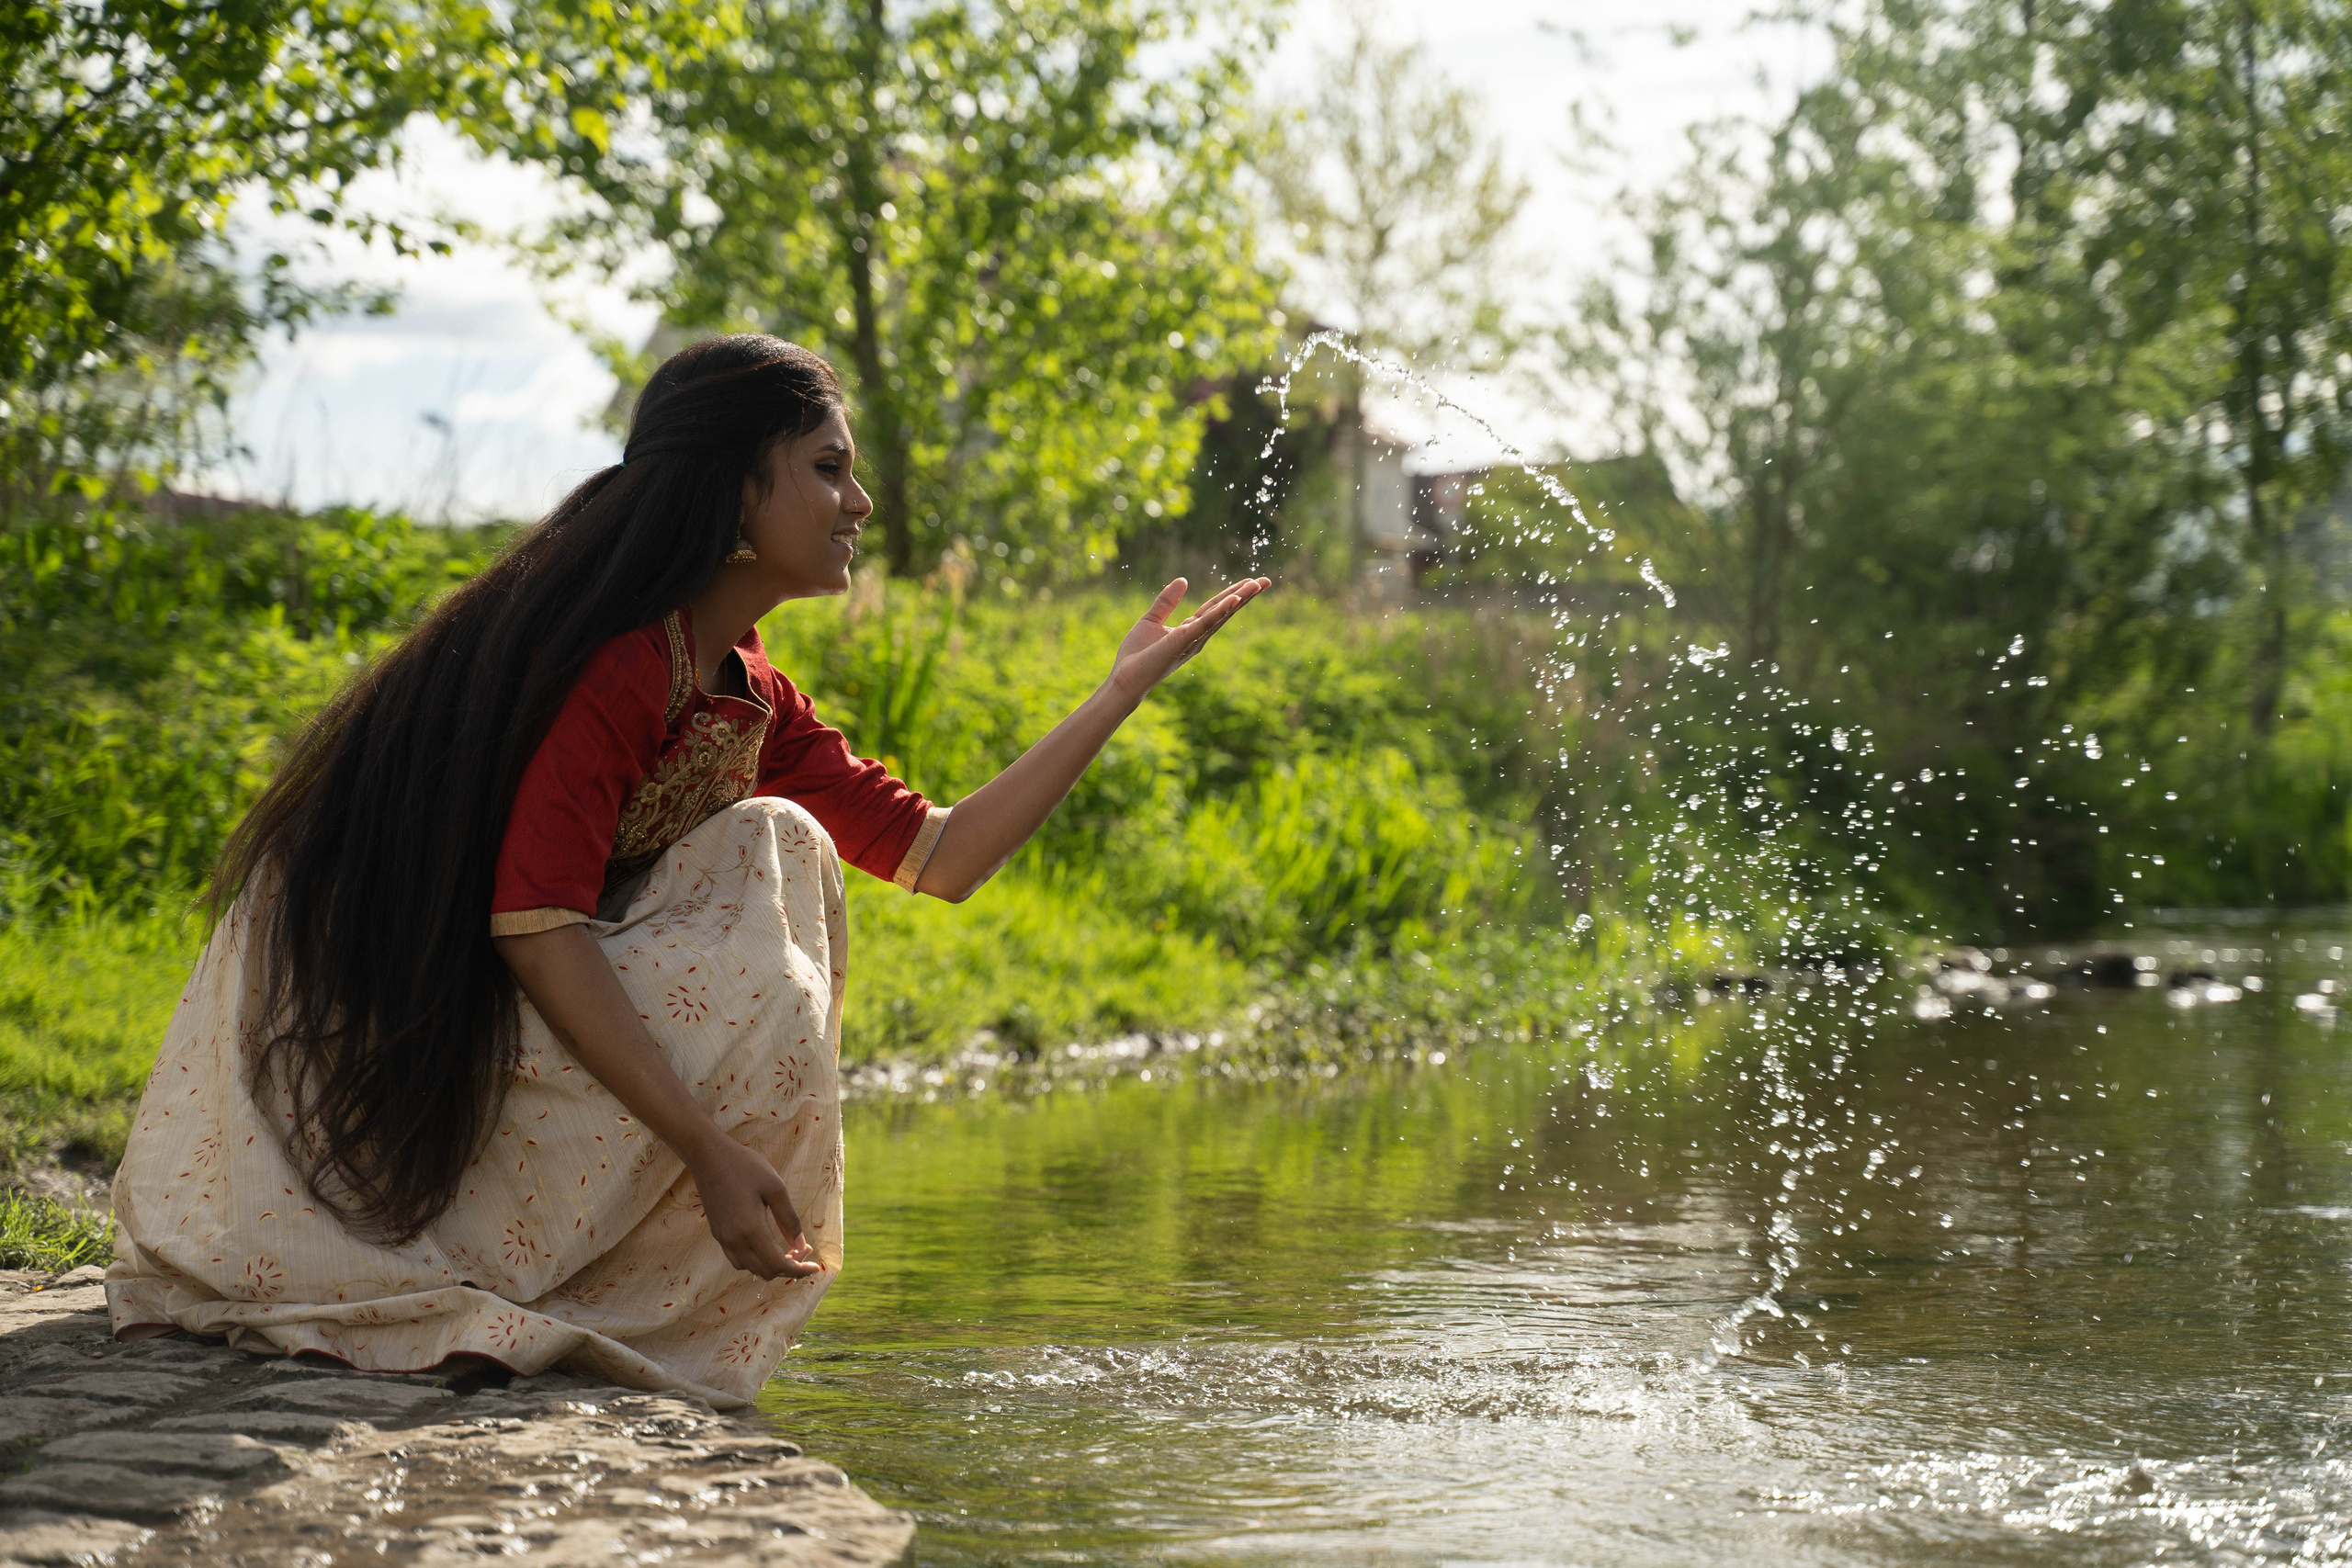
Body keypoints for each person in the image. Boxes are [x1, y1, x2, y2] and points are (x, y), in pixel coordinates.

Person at [105, 334, 1267, 1407]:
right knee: (776, 847)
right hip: (361, 1011)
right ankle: (485, 1260)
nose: (859, 502)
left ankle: (557, 1273)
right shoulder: (617, 656)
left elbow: (941, 856)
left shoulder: (743, 688)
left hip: (489, 993)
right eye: (826, 468)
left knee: (781, 845)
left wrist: (1117, 695)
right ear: (732, 489)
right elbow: (533, 921)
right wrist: (707, 1152)